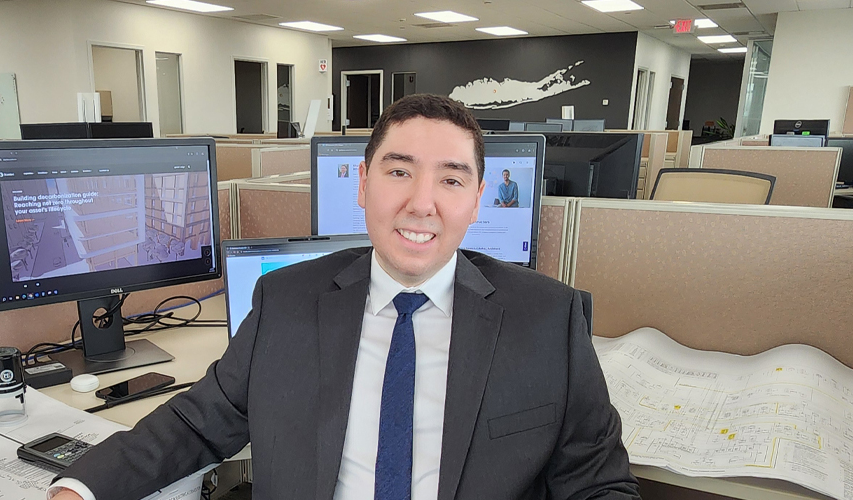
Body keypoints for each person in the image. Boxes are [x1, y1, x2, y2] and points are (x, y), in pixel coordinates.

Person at [48, 94, 637, 500]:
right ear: (361, 183)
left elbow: (596, 484)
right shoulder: (286, 300)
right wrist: (81, 487)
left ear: (478, 198)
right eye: (399, 172)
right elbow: (195, 425)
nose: (422, 203)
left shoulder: (548, 319)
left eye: (451, 179)